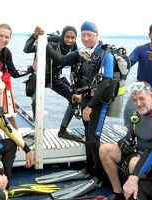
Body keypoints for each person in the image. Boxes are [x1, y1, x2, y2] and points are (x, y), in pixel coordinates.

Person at [46, 21, 116, 178]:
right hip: (86, 98)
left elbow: (106, 82)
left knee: (93, 139)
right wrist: (45, 45)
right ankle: (89, 169)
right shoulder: (82, 51)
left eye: (89, 35)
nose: (85, 38)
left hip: (98, 103)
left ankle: (99, 174)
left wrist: (90, 106)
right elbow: (62, 61)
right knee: (87, 136)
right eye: (83, 35)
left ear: (97, 36)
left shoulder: (106, 55)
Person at [99, 81, 152, 200]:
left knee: (133, 163)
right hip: (136, 155)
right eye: (134, 100)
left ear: (151, 96)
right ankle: (118, 192)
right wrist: (122, 143)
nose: (138, 103)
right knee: (105, 149)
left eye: (141, 98)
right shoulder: (136, 116)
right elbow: (128, 139)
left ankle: (138, 190)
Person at [23, 25, 82, 141]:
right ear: (62, 36)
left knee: (74, 99)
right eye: (67, 37)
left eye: (72, 38)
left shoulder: (74, 47)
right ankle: (37, 131)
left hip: (53, 78)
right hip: (38, 77)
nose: (69, 40)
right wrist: (34, 36)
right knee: (36, 102)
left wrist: (75, 89)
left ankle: (63, 131)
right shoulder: (52, 44)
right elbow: (26, 49)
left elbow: (74, 69)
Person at [124, 22, 152, 127]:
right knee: (129, 111)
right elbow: (128, 63)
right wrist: (120, 59)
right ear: (149, 35)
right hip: (141, 87)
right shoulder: (140, 49)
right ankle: (129, 133)